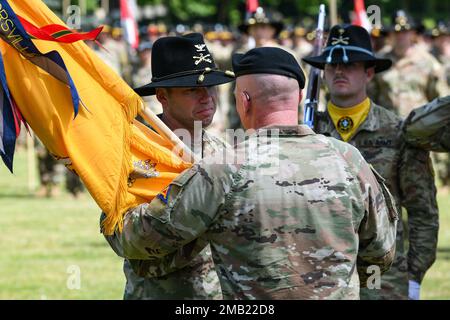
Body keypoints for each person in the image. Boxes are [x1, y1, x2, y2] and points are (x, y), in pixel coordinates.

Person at [106, 47, 397, 299]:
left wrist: (111, 208)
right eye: (193, 89)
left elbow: (140, 239)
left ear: (244, 100)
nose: (206, 97)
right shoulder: (349, 159)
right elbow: (381, 252)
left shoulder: (224, 167)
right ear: (298, 97)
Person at [303, 24, 439, 300]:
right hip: (317, 273)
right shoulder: (306, 132)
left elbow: (422, 211)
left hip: (384, 279)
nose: (339, 71)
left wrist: (413, 275)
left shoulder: (399, 132)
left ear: (369, 72)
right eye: (332, 65)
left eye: (349, 64)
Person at [103, 33, 235, 300]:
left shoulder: (224, 152)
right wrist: (199, 207)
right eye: (192, 90)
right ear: (162, 96)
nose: (207, 97)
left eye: (210, 87)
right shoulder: (134, 153)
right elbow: (122, 237)